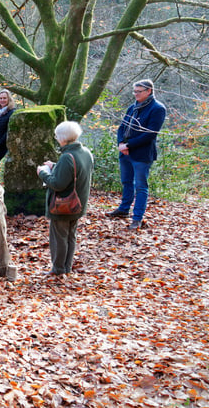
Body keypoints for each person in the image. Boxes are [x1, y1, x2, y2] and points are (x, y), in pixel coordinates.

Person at [106, 79, 167, 230]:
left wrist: (128, 145)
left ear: (149, 91)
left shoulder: (158, 108)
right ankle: (123, 210)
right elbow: (121, 127)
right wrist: (121, 144)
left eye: (138, 92)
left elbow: (150, 134)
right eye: (134, 91)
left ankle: (137, 218)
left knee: (140, 187)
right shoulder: (133, 107)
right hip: (125, 152)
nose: (135, 94)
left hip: (141, 154)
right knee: (126, 182)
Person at [37, 121, 94, 276]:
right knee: (70, 236)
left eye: (56, 136)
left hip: (63, 205)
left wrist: (42, 172)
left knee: (59, 238)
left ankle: (58, 269)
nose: (56, 139)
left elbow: (57, 184)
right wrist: (55, 165)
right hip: (78, 204)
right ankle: (66, 267)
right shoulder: (85, 152)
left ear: (63, 138)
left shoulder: (67, 157)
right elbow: (75, 171)